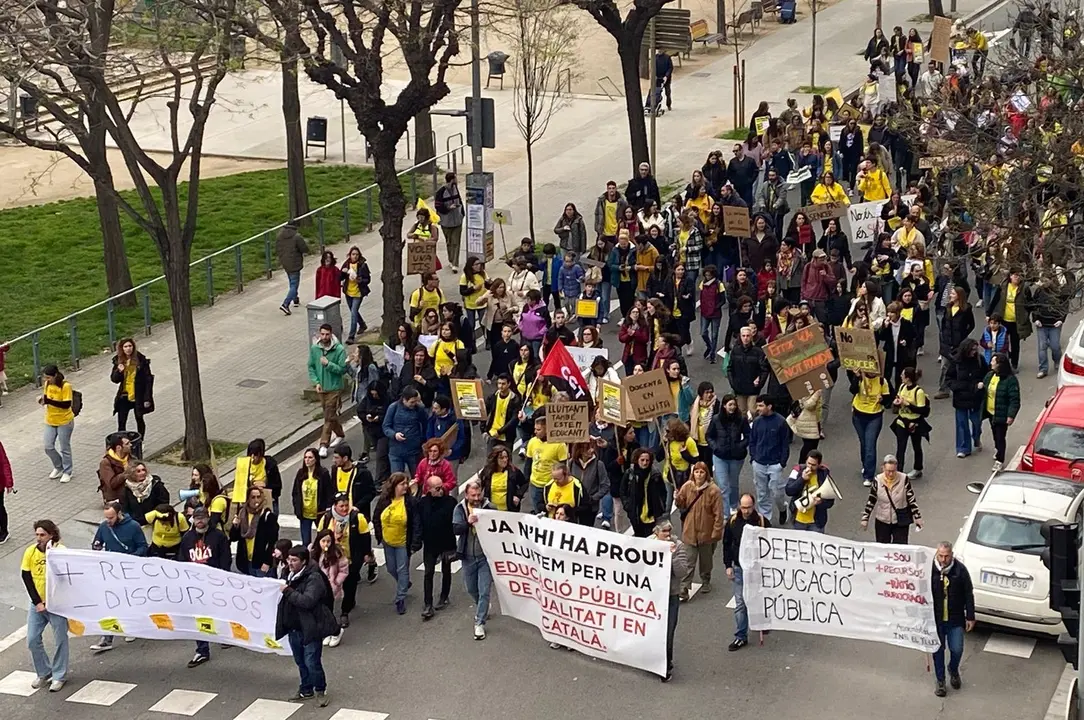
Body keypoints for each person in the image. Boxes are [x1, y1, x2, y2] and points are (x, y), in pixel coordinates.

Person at [276, 546, 339, 706]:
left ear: (304, 561)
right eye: (289, 559)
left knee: (312, 661)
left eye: (294, 560)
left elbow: (307, 601)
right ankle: (306, 689)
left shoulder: (314, 578)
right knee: (300, 661)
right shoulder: (287, 573)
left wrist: (288, 591)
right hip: (293, 626)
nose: (290, 563)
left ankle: (320, 690)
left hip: (311, 627)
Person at [89, 501, 147, 652]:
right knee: (110, 603)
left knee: (128, 601)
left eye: (111, 517)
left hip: (129, 571)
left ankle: (131, 627)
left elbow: (142, 546)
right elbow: (97, 543)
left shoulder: (133, 526)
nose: (108, 521)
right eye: (106, 517)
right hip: (111, 571)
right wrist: (96, 547)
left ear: (119, 514)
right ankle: (107, 638)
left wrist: (130, 558)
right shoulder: (104, 527)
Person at [178, 505, 231, 667]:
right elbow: (182, 560)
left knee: (218, 613)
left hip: (214, 583)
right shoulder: (187, 538)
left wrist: (221, 579)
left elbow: (226, 559)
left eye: (202, 518)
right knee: (198, 617)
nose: (199, 521)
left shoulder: (219, 537)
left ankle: (224, 636)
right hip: (195, 585)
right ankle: (202, 650)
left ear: (208, 518)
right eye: (197, 518)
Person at [315, 492, 374, 628]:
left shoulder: (357, 518)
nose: (345, 509)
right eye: (341, 506)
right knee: (329, 585)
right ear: (335, 506)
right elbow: (319, 537)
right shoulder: (326, 518)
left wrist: (366, 553)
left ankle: (345, 611)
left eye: (347, 505)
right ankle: (328, 612)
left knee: (350, 585)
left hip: (352, 558)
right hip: (331, 560)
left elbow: (365, 537)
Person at [23, 519, 68, 691]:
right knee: (32, 639)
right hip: (38, 603)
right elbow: (26, 577)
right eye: (37, 534)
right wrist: (37, 602)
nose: (39, 538)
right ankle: (44, 671)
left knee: (60, 640)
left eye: (42, 535)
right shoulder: (31, 551)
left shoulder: (60, 551)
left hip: (56, 604)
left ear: (51, 535)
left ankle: (59, 675)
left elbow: (66, 577)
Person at [723, 493, 770, 652]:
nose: (746, 511)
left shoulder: (762, 521)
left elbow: (769, 544)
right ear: (739, 506)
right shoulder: (733, 521)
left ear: (753, 506)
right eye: (743, 507)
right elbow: (727, 544)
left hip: (756, 568)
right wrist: (728, 565)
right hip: (739, 567)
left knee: (758, 597)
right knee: (740, 603)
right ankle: (741, 636)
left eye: (749, 507)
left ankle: (761, 622)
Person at [931, 541, 976, 697]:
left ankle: (953, 669)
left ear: (952, 555)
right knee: (937, 650)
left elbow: (968, 593)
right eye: (940, 556)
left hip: (955, 618)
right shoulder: (930, 569)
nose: (943, 560)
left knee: (957, 649)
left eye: (946, 556)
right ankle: (940, 681)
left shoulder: (960, 570)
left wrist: (970, 616)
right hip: (935, 619)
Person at [453, 479, 496, 640]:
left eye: (479, 495)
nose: (477, 498)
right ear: (466, 495)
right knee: (471, 589)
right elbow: (456, 528)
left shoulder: (490, 508)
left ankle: (479, 622)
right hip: (467, 557)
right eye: (473, 495)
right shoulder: (459, 509)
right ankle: (482, 606)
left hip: (485, 557)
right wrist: (468, 523)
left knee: (484, 591)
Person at [674, 462, 721, 600]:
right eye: (696, 472)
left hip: (707, 533)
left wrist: (716, 532)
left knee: (706, 562)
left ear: (706, 474)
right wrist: (678, 498)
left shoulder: (714, 491)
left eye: (702, 472)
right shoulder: (687, 486)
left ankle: (706, 579)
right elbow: (681, 504)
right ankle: (684, 587)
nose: (699, 475)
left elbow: (718, 514)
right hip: (690, 532)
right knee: (688, 561)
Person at [413, 475, 458, 619]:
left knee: (446, 570)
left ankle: (444, 596)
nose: (441, 490)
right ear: (429, 489)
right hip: (430, 544)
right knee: (428, 573)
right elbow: (418, 523)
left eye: (442, 487)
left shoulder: (450, 502)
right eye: (437, 488)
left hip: (447, 542)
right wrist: (417, 540)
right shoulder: (422, 503)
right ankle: (428, 603)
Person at [373, 473, 416, 615]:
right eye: (402, 484)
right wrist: (380, 536)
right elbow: (376, 517)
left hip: (403, 542)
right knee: (391, 568)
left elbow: (415, 523)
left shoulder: (409, 502)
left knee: (402, 570)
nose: (405, 486)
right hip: (388, 541)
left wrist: (415, 543)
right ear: (394, 486)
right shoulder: (384, 500)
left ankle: (400, 598)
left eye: (406, 483)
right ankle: (404, 583)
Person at [748, 395, 792, 524]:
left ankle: (782, 508)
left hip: (775, 464)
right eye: (757, 405)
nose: (758, 408)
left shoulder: (781, 422)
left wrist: (782, 463)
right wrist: (753, 458)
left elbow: (785, 444)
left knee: (777, 492)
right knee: (762, 494)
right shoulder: (757, 422)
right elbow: (752, 441)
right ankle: (765, 520)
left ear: (769, 406)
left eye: (761, 405)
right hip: (759, 463)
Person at [861, 454, 924, 544]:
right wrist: (865, 518)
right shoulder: (877, 480)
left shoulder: (904, 479)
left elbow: (911, 499)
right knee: (882, 548)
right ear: (883, 468)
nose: (891, 474)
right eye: (888, 471)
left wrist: (917, 517)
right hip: (882, 520)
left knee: (900, 548)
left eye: (893, 471)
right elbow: (871, 500)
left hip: (900, 521)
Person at [653, 520, 687, 683]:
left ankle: (664, 665)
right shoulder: (647, 544)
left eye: (669, 532)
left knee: (667, 632)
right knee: (652, 631)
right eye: (664, 532)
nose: (667, 535)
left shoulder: (678, 546)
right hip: (652, 596)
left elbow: (682, 572)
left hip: (670, 596)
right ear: (656, 533)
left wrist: (672, 555)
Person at [707, 394, 750, 519]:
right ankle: (725, 515)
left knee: (733, 484)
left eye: (734, 404)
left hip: (736, 458)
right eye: (730, 404)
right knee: (723, 486)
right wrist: (716, 447)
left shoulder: (741, 419)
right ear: (724, 406)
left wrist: (740, 446)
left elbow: (748, 436)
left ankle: (733, 505)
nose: (732, 407)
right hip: (720, 457)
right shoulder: (716, 419)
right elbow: (709, 436)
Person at [308, 324, 347, 458]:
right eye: (322, 334)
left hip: (334, 388)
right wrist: (316, 382)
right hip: (322, 388)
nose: (324, 337)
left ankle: (323, 444)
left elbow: (342, 369)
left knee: (328, 416)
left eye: (327, 334)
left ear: (331, 334)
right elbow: (311, 366)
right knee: (330, 415)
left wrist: (328, 364)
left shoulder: (339, 349)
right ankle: (340, 434)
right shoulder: (315, 348)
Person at [850, 371, 892, 487]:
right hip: (858, 415)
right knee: (863, 443)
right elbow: (853, 390)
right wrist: (856, 377)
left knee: (870, 445)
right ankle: (866, 465)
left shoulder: (882, 381)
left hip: (874, 416)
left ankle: (869, 475)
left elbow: (888, 400)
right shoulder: (860, 378)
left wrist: (882, 399)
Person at [110, 338, 154, 443]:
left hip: (138, 395)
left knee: (139, 418)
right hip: (124, 395)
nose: (128, 349)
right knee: (121, 421)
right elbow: (114, 379)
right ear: (122, 348)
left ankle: (140, 442)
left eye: (130, 346)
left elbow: (148, 380)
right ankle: (121, 443)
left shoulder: (141, 360)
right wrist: (119, 371)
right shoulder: (119, 361)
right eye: (125, 346)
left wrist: (147, 398)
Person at [230, 485, 280, 577]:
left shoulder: (268, 516)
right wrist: (235, 526)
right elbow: (234, 538)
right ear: (248, 499)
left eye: (258, 497)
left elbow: (272, 542)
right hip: (245, 562)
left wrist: (267, 562)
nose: (256, 500)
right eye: (253, 497)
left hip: (260, 563)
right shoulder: (242, 514)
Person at [310, 530, 349, 647]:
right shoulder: (312, 551)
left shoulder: (336, 553)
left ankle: (335, 632)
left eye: (328, 541)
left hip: (330, 587)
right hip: (316, 586)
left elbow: (343, 570)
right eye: (323, 541)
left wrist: (336, 582)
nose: (326, 544)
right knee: (320, 611)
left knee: (328, 611)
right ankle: (327, 632)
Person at [983, 353, 1020, 472]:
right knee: (995, 434)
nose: (991, 363)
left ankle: (1000, 460)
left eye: (993, 361)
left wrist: (1011, 415)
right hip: (991, 412)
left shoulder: (1010, 380)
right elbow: (985, 389)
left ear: (999, 364)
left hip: (1002, 414)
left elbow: (1014, 400)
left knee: (1000, 437)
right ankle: (998, 449)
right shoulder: (990, 375)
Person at [987, 271, 1031, 370]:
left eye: (1019, 275)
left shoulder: (1024, 288)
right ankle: (1002, 362)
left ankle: (1014, 363)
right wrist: (988, 313)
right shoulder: (1003, 286)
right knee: (1002, 342)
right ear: (1010, 276)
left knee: (1015, 343)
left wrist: (1026, 315)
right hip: (1004, 320)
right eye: (1015, 275)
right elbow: (995, 300)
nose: (1017, 277)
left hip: (1016, 321)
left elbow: (1030, 304)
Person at [292, 447, 335, 547]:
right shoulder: (301, 473)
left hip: (319, 513)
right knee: (306, 542)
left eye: (310, 457)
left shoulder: (323, 473)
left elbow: (329, 492)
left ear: (316, 459)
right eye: (305, 457)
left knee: (322, 540)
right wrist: (297, 507)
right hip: (304, 514)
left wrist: (327, 508)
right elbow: (295, 492)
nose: (307, 460)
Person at [40, 365, 75, 484]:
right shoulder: (47, 384)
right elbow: (46, 398)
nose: (46, 380)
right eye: (45, 378)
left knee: (64, 447)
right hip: (51, 419)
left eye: (48, 377)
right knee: (48, 446)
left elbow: (66, 404)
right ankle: (58, 466)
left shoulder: (66, 386)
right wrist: (42, 401)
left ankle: (67, 471)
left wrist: (49, 401)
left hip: (64, 420)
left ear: (55, 375)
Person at [785, 450, 835, 532]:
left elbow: (830, 500)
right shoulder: (797, 471)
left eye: (813, 465)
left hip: (816, 522)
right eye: (808, 463)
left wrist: (821, 502)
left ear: (819, 464)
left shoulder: (824, 474)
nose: (810, 467)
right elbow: (789, 491)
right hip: (799, 520)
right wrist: (802, 479)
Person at [623, 448, 668, 537]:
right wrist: (627, 505)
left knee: (651, 537)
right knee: (639, 536)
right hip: (636, 513)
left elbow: (663, 492)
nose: (645, 463)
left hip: (652, 514)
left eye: (647, 460)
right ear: (637, 460)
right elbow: (623, 490)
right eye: (642, 460)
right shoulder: (630, 473)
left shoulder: (655, 474)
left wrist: (661, 505)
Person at [383, 387, 429, 474]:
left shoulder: (419, 409)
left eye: (415, 401)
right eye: (412, 402)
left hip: (414, 451)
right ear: (404, 400)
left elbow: (426, 425)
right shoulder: (393, 407)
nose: (414, 404)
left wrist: (423, 441)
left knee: (417, 477)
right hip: (396, 451)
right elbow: (386, 426)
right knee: (397, 478)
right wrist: (394, 434)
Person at [727, 326, 770, 417]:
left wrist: (760, 383)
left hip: (753, 388)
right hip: (739, 388)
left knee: (753, 411)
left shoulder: (758, 352)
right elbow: (730, 368)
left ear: (751, 337)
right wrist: (733, 383)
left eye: (747, 336)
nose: (745, 338)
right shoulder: (735, 351)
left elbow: (764, 370)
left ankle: (755, 425)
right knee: (741, 412)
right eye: (743, 336)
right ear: (740, 337)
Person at [232, 438, 283, 514]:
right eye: (250, 454)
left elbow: (277, 486)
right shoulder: (244, 465)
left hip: (267, 501)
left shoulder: (270, 465)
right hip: (249, 503)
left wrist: (265, 485)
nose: (253, 458)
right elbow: (239, 486)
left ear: (261, 454)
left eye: (255, 455)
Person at [570, 442, 612, 528]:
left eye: (592, 447)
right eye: (588, 448)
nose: (592, 450)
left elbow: (605, 485)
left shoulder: (599, 464)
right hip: (573, 504)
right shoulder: (570, 463)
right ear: (580, 450)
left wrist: (593, 498)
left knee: (586, 530)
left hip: (590, 507)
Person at [120, 461, 170, 526]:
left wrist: (154, 515)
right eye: (138, 471)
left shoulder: (156, 485)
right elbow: (124, 509)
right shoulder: (126, 489)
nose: (142, 473)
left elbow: (164, 502)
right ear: (132, 474)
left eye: (143, 470)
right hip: (137, 524)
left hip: (156, 522)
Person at [276, 222, 309, 315]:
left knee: (291, 281)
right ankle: (285, 304)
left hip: (285, 262)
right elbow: (304, 248)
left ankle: (295, 299)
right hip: (295, 263)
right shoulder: (297, 236)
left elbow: (277, 248)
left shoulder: (280, 235)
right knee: (294, 284)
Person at [340, 247, 372, 342]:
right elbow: (340, 278)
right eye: (353, 254)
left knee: (353, 313)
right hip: (348, 292)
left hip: (358, 293)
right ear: (350, 255)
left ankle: (351, 336)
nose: (355, 256)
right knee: (353, 311)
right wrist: (343, 272)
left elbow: (368, 279)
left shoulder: (362, 265)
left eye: (357, 254)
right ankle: (362, 324)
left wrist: (360, 280)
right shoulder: (346, 264)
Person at [434, 172, 464, 272]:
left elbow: (459, 200)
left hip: (457, 220)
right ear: (452, 179)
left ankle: (455, 263)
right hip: (446, 222)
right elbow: (438, 206)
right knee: (449, 242)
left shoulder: (455, 189)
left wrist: (462, 213)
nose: (457, 180)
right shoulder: (441, 191)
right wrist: (448, 208)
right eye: (455, 178)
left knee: (456, 242)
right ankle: (451, 260)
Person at [97, 432, 132, 503]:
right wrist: (126, 473)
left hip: (130, 493)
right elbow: (112, 484)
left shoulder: (130, 457)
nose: (131, 445)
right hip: (115, 497)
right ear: (119, 448)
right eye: (127, 444)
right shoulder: (106, 463)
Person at [594, 181, 628, 246]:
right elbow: (597, 214)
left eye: (613, 188)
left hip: (616, 232)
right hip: (604, 232)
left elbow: (626, 213)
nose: (611, 190)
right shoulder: (602, 201)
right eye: (609, 188)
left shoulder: (622, 202)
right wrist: (598, 229)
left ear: (616, 189)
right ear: (607, 189)